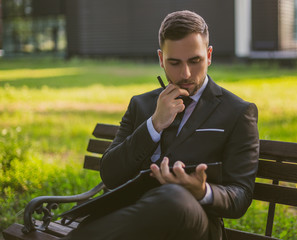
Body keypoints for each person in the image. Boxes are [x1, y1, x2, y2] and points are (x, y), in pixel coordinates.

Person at [65, 10, 259, 240]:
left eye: (195, 60)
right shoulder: (141, 105)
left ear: (208, 55)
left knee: (173, 198)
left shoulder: (237, 112)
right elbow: (110, 175)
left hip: (195, 222)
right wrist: (154, 124)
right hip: (134, 219)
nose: (185, 73)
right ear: (160, 59)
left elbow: (240, 196)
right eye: (174, 63)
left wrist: (203, 191)